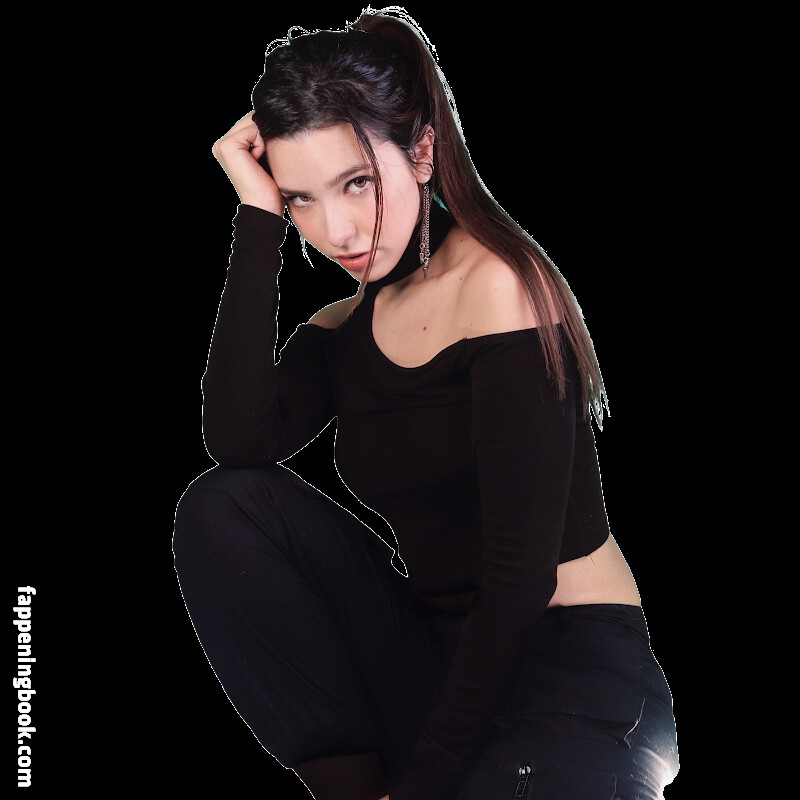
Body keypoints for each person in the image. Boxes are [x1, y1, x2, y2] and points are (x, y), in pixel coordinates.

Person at [172, 7, 679, 800]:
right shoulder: (341, 327)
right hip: (434, 655)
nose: (337, 230)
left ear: (422, 152)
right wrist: (257, 215)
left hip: (565, 665)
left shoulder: (500, 286)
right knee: (224, 507)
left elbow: (519, 578)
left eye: (356, 183)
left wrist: (430, 783)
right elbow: (237, 440)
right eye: (302, 198)